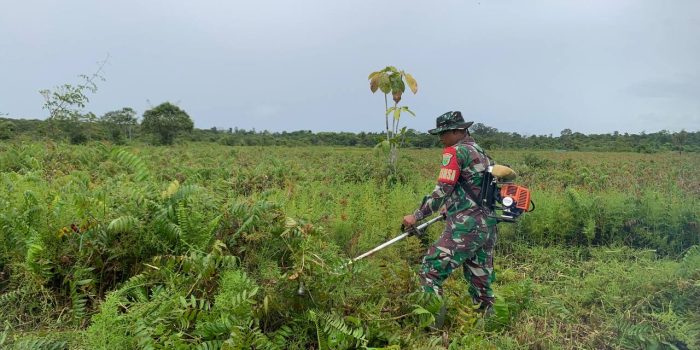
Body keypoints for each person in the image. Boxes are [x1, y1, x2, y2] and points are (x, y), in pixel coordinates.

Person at [402, 111, 498, 313]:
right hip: (487, 224)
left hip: (466, 226)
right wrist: (453, 205)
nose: (441, 138)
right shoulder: (479, 151)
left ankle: (431, 323)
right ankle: (488, 321)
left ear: (457, 131)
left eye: (444, 133)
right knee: (479, 275)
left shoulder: (454, 152)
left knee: (431, 269)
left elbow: (442, 190)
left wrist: (416, 216)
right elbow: (475, 187)